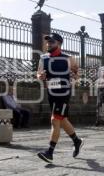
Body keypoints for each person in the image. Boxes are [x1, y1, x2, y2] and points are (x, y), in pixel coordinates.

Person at [37, 33, 84, 164]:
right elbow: (38, 73)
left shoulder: (69, 59)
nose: (48, 44)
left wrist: (74, 76)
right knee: (62, 120)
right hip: (51, 93)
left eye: (51, 42)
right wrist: (40, 76)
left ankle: (50, 152)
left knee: (55, 120)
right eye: (47, 42)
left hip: (63, 92)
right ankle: (77, 141)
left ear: (58, 43)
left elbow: (77, 75)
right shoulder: (43, 58)